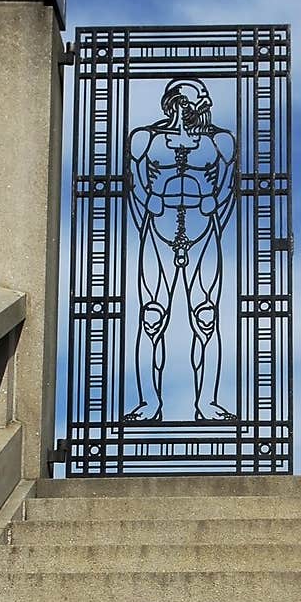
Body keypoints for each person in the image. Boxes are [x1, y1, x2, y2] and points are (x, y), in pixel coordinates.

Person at [123, 77, 236, 422]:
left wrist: (212, 207)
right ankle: (149, 403)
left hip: (203, 233)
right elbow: (133, 186)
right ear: (175, 103)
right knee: (152, 317)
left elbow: (230, 189)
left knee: (206, 318)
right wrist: (150, 205)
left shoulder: (220, 142)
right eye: (193, 101)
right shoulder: (145, 140)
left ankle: (206, 403)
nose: (201, 107)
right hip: (159, 230)